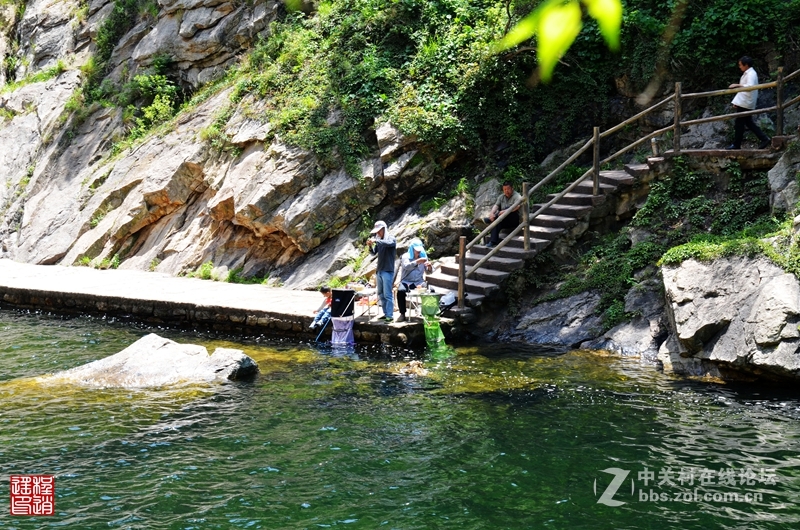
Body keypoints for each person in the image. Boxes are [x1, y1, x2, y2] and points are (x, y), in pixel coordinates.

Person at [726, 56, 771, 150]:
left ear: (746, 65)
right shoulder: (748, 73)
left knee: (739, 124)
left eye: (740, 65)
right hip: (744, 101)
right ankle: (764, 138)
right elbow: (744, 89)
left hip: (746, 101)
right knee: (748, 122)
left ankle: (736, 144)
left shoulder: (751, 74)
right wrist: (737, 101)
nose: (739, 67)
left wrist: (737, 85)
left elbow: (749, 87)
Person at [395, 239, 432, 322]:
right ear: (412, 249)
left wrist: (429, 267)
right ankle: (402, 314)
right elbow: (406, 266)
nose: (418, 252)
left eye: (419, 250)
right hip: (406, 281)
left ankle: (429, 312)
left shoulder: (424, 257)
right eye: (416, 250)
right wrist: (417, 262)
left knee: (430, 290)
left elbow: (429, 272)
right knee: (401, 291)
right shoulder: (406, 256)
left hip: (419, 282)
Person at [367, 220, 397, 322]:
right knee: (380, 293)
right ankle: (385, 313)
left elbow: (389, 244)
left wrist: (376, 241)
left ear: (384, 229)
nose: (377, 233)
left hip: (388, 270)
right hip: (379, 270)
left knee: (388, 294)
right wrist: (370, 246)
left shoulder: (391, 238)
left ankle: (390, 315)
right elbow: (373, 253)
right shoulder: (379, 240)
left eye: (379, 231)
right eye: (376, 231)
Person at [485, 181, 522, 248]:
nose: (506, 191)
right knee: (496, 222)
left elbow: (517, 206)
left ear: (512, 188)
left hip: (514, 219)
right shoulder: (501, 197)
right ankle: (492, 242)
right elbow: (496, 205)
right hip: (504, 219)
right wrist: (492, 213)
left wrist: (505, 211)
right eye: (504, 189)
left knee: (508, 209)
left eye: (508, 189)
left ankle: (491, 219)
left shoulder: (517, 196)